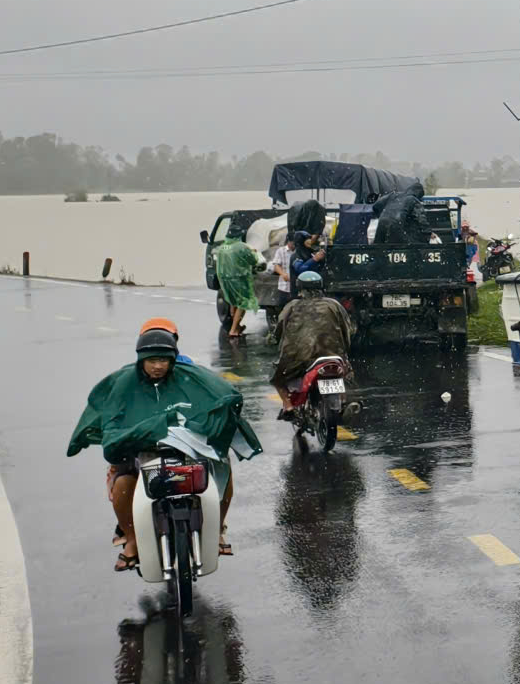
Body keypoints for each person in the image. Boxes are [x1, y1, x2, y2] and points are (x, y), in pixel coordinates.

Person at [67, 319, 260, 570]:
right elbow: (113, 419)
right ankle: (132, 540)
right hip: (141, 449)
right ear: (141, 354)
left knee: (222, 468)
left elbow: (218, 395)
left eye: (163, 358)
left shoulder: (191, 374)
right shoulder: (126, 381)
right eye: (152, 359)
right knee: (122, 481)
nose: (158, 365)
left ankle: (216, 529)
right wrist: (123, 438)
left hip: (186, 449)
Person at [271, 269, 354, 400]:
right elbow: (348, 329)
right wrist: (344, 350)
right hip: (333, 355)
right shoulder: (334, 305)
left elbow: (280, 327)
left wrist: (273, 339)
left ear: (299, 287)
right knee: (344, 375)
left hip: (300, 358)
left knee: (278, 380)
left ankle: (288, 407)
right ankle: (343, 401)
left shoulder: (292, 306)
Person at [211, 230, 259, 339]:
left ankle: (236, 326)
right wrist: (253, 253)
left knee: (233, 302)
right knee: (243, 303)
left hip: (225, 280)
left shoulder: (222, 247)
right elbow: (253, 261)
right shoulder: (242, 247)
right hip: (239, 279)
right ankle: (233, 330)